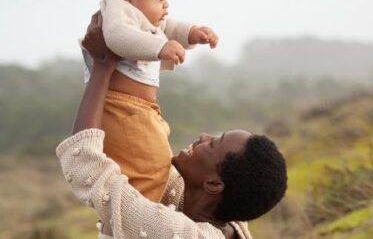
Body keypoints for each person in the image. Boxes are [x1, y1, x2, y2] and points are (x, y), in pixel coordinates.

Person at [56, 13, 287, 238]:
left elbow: (86, 165)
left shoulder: (176, 233)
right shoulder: (226, 217)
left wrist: (102, 67)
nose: (203, 136)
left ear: (214, 184)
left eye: (213, 144)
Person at [80, 0, 219, 203]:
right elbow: (118, 37)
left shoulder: (141, 17)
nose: (166, 5)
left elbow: (170, 27)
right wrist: (161, 47)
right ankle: (143, 213)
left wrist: (193, 33)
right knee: (151, 168)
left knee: (153, 164)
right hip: (124, 110)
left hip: (139, 110)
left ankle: (146, 209)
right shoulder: (116, 9)